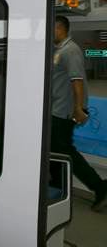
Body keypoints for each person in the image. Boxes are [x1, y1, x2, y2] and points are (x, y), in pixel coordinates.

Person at [51, 15, 107, 212]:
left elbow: (77, 81)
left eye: (52, 28)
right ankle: (57, 189)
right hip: (55, 110)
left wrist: (78, 108)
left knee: (64, 151)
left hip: (63, 112)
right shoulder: (58, 50)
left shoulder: (70, 50)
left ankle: (100, 187)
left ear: (60, 29)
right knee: (55, 151)